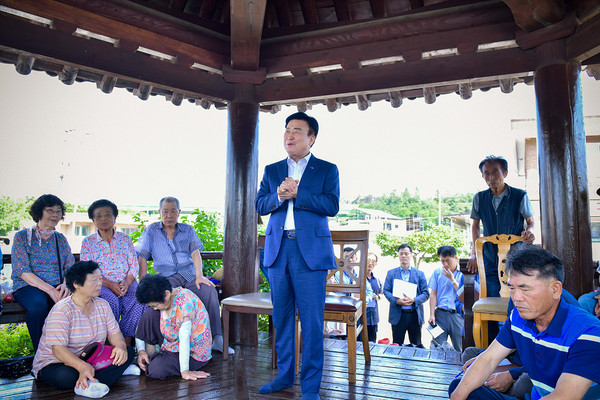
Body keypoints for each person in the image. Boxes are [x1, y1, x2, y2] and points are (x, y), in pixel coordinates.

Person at [255, 111, 340, 400]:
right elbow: (260, 205)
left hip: (311, 254)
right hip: (278, 250)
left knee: (313, 322)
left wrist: (298, 193)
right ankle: (283, 376)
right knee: (281, 317)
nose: (289, 136)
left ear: (311, 138)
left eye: (296, 131)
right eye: (286, 130)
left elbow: (332, 205)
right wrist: (279, 195)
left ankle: (311, 387)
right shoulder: (272, 169)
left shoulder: (327, 169)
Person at [449, 243, 600, 400]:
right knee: (461, 389)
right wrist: (457, 396)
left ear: (555, 290)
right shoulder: (518, 317)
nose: (516, 298)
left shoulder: (589, 332)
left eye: (525, 289)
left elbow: (564, 396)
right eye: (512, 288)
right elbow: (488, 359)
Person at [135, 196, 232, 354]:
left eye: (173, 211)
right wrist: (143, 281)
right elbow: (143, 257)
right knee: (166, 298)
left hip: (189, 275)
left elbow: (195, 253)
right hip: (167, 278)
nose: (169, 215)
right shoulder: (151, 231)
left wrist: (199, 276)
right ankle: (171, 341)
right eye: (165, 211)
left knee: (209, 291)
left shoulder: (188, 230)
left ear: (179, 212)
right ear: (159, 212)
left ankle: (216, 338)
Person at [32, 261, 135, 399]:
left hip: (90, 359)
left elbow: (115, 334)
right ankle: (99, 377)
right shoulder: (62, 310)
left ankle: (88, 382)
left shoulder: (103, 305)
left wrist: (120, 347)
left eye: (100, 279)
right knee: (67, 376)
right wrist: (81, 367)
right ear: (76, 284)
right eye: (94, 280)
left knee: (127, 352)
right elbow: (58, 350)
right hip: (57, 362)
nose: (100, 283)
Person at [467, 155, 535, 342]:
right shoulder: (479, 198)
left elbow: (531, 222)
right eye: (486, 174)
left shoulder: (520, 195)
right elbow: (474, 226)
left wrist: (529, 232)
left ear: (504, 173)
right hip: (489, 259)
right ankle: (492, 351)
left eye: (495, 172)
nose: (490, 177)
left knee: (517, 303)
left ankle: (516, 347)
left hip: (515, 261)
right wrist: (474, 252)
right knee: (490, 303)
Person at [11, 194, 75, 352]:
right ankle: (42, 356)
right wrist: (50, 290)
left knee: (75, 305)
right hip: (28, 286)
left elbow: (70, 267)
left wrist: (66, 285)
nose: (55, 214)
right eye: (50, 210)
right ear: (39, 212)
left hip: (57, 284)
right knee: (38, 308)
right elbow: (22, 271)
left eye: (58, 211)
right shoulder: (22, 237)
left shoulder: (60, 239)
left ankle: (70, 354)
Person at [80, 199, 146, 344]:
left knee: (139, 299)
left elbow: (134, 265)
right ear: (93, 220)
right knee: (110, 301)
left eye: (108, 215)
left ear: (115, 217)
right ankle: (110, 341)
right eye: (98, 216)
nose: (103, 218)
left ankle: (127, 341)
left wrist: (127, 283)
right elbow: (88, 270)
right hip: (101, 284)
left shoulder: (125, 239)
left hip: (126, 282)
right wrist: (110, 284)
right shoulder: (88, 242)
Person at [135, 274, 211, 381]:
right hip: (172, 343)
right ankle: (149, 356)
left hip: (191, 353)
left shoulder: (185, 301)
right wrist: (141, 351)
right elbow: (142, 325)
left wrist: (185, 371)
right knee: (150, 314)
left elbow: (185, 337)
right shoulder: (166, 299)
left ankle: (157, 359)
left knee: (156, 369)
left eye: (156, 305)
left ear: (166, 294)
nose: (156, 308)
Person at [383, 244, 429, 347]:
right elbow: (386, 291)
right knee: (397, 345)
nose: (404, 256)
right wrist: (396, 301)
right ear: (398, 255)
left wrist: (414, 300)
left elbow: (426, 293)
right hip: (398, 315)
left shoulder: (419, 274)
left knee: (416, 345)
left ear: (411, 255)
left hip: (414, 315)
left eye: (406, 254)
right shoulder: (391, 273)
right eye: (401, 254)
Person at [428, 245, 463, 351]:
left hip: (457, 316)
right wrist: (432, 314)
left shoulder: (463, 274)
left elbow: (463, 296)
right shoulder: (437, 272)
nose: (445, 264)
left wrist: (452, 280)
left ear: (455, 258)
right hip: (440, 315)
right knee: (438, 347)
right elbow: (433, 294)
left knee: (460, 347)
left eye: (448, 260)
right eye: (442, 261)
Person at [365, 252, 383, 342]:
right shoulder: (358, 277)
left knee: (372, 343)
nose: (370, 263)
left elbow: (381, 293)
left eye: (373, 261)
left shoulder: (377, 278)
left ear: (376, 264)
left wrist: (377, 297)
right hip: (362, 315)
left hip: (374, 316)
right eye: (368, 260)